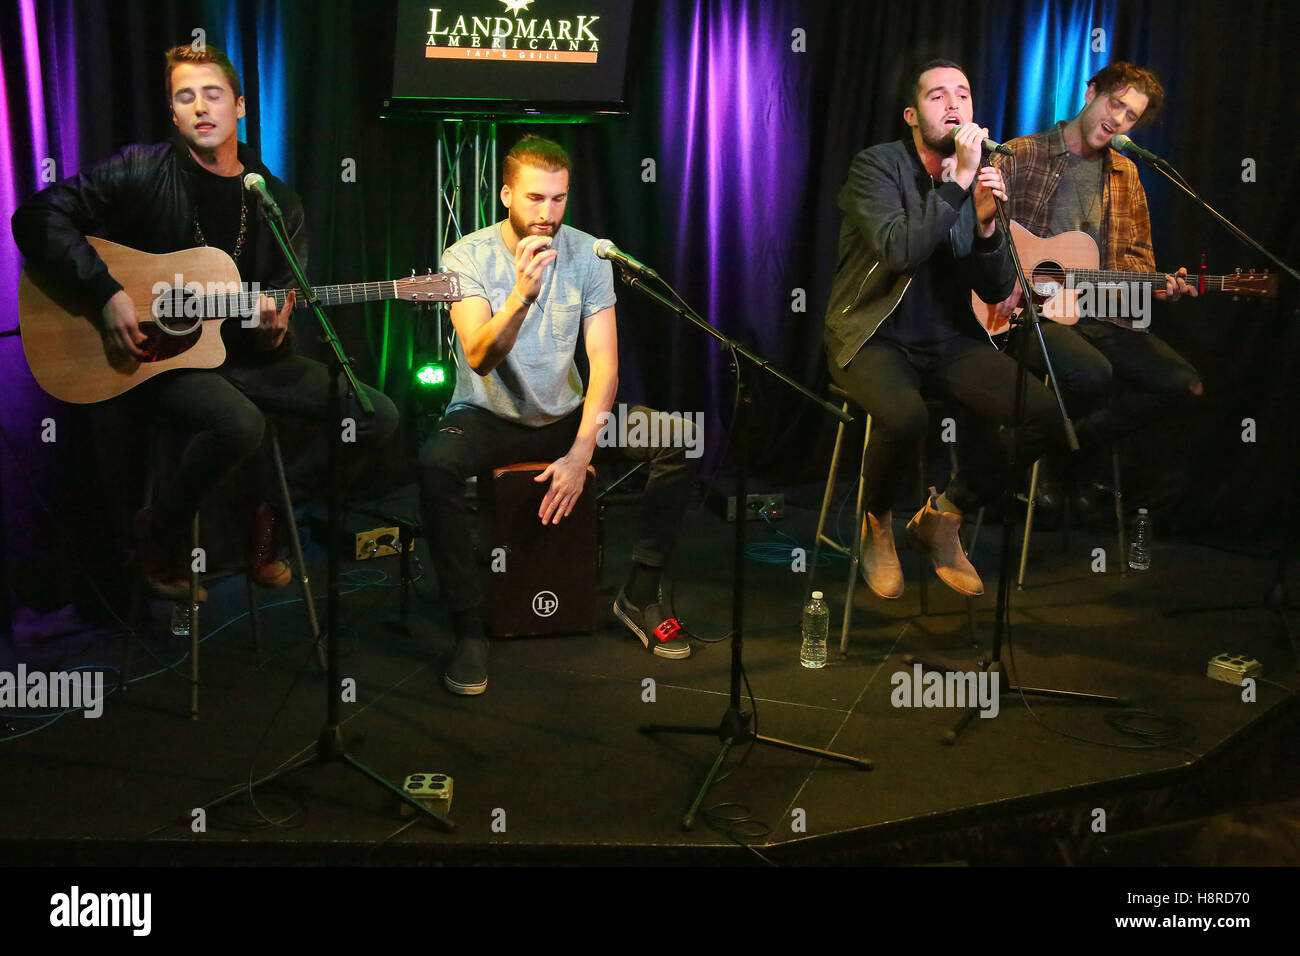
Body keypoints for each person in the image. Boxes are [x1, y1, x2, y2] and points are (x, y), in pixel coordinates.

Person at [12, 44, 398, 598]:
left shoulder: (275, 201)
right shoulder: (140, 169)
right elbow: (37, 216)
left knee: (376, 415)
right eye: (185, 97)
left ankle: (268, 507)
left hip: (247, 360)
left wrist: (274, 331)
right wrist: (105, 292)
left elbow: (281, 305)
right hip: (157, 361)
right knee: (240, 424)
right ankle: (160, 532)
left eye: (213, 95)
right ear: (173, 113)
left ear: (239, 106)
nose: (200, 107)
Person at [419, 134, 698, 696]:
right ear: (505, 195)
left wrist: (580, 452)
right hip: (488, 416)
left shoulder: (590, 253)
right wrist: (521, 294)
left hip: (569, 417)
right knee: (434, 466)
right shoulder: (465, 256)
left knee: (679, 439)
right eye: (534, 199)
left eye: (558, 199)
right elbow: (479, 354)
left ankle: (638, 595)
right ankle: (468, 627)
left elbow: (604, 365)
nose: (547, 214)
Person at [824, 59, 1066, 600]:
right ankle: (877, 522)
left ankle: (944, 515)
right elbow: (900, 249)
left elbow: (996, 286)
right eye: (937, 96)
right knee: (905, 417)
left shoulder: (973, 177)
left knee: (1045, 415)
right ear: (912, 115)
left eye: (962, 92)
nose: (953, 103)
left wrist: (984, 223)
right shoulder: (878, 167)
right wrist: (957, 183)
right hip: (871, 333)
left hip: (948, 338)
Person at [996, 63, 1200, 511]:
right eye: (1116, 104)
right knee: (1091, 371)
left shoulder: (1126, 174)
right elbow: (976, 234)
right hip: (1028, 314)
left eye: (1131, 116)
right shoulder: (1020, 154)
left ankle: (1071, 444)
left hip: (1101, 311)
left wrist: (1156, 287)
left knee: (1184, 386)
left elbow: (1139, 260)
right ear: (1091, 93)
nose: (1119, 121)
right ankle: (1047, 457)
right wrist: (1004, 276)